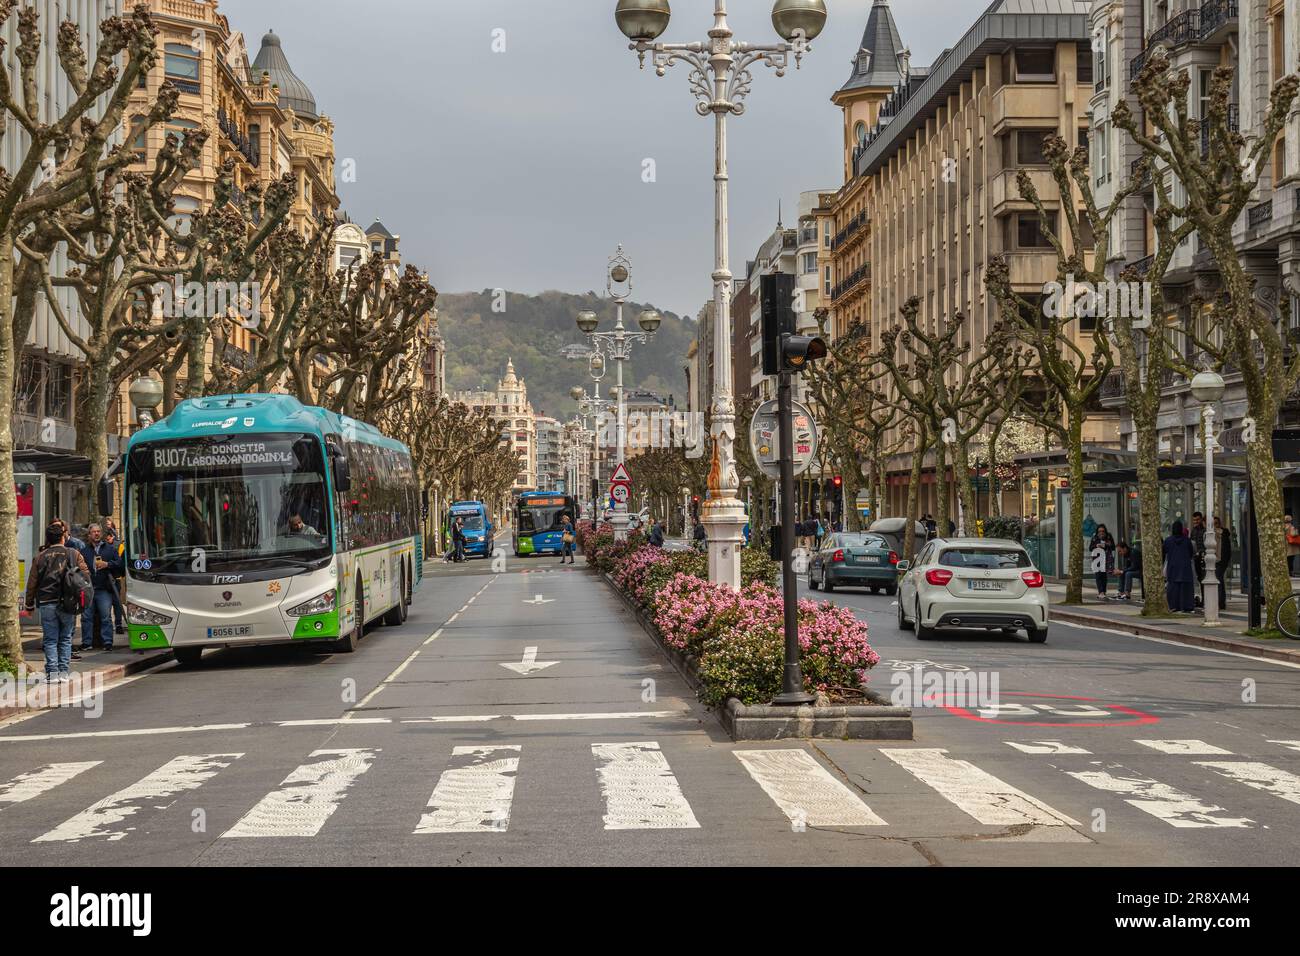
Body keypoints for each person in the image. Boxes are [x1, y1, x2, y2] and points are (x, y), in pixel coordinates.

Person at [24, 522, 91, 683]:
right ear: (63, 537)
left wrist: (29, 604)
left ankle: (52, 673)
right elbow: (86, 575)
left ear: (48, 538)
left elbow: (32, 582)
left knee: (50, 639)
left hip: (47, 602)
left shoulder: (40, 556)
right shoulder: (73, 553)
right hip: (68, 602)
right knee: (66, 638)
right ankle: (63, 672)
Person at [75, 523, 123, 652]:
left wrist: (107, 564)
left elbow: (119, 563)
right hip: (88, 589)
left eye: (98, 532)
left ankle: (107, 642)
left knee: (106, 617)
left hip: (104, 589)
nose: (96, 534)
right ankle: (86, 643)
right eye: (93, 532)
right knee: (86, 617)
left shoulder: (110, 549)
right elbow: (77, 569)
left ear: (100, 534)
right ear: (89, 535)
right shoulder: (84, 551)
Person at [1163, 519, 1197, 612]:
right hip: (1185, 567)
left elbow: (1164, 552)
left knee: (1173, 588)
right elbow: (1191, 553)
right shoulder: (1187, 541)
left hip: (1173, 567)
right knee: (1185, 588)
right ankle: (1186, 606)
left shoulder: (1168, 541)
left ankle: (1174, 606)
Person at [103, 526, 126, 636]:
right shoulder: (103, 547)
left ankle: (118, 624)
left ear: (112, 537)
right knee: (106, 605)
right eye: (106, 539)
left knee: (117, 604)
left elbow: (121, 562)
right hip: (106, 579)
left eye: (109, 538)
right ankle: (112, 625)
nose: (108, 540)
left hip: (116, 578)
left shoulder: (119, 546)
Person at [1089, 524, 1116, 599]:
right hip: (1097, 559)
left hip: (1106, 558)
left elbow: (1113, 546)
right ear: (1097, 532)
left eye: (1103, 531)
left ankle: (1103, 591)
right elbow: (1090, 548)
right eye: (1099, 531)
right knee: (1098, 575)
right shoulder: (1094, 537)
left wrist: (1106, 545)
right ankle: (1100, 592)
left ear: (1105, 531)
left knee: (1104, 575)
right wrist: (1096, 546)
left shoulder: (1109, 536)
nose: (1101, 533)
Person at [1212, 516, 1232, 612]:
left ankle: (1220, 602)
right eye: (1213, 523)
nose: (1215, 525)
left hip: (1221, 560)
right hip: (1214, 560)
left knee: (1218, 579)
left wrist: (1225, 560)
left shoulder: (1224, 534)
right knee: (1219, 580)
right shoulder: (1210, 534)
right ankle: (1220, 602)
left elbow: (1227, 549)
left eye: (1216, 523)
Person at [1190, 511, 1207, 607]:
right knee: (1199, 579)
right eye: (1194, 520)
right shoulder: (1193, 530)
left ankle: (1205, 599)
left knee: (1203, 578)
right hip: (1195, 557)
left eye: (1197, 520)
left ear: (1201, 519)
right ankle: (1202, 599)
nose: (1196, 522)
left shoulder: (1205, 530)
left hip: (1203, 557)